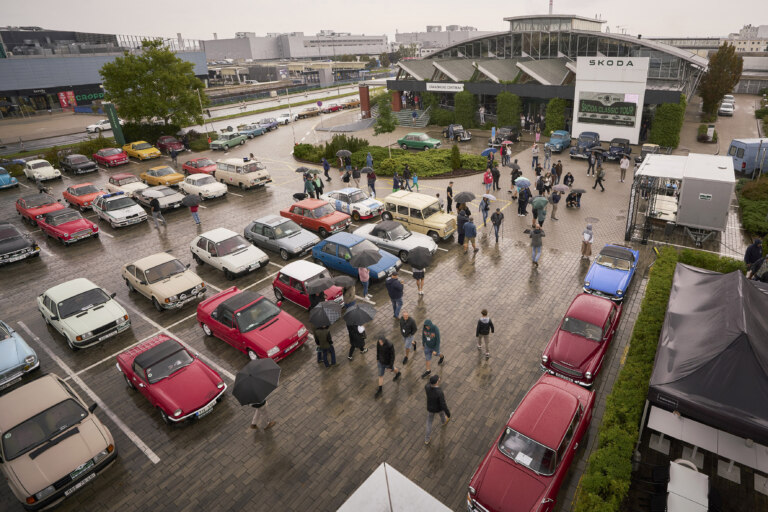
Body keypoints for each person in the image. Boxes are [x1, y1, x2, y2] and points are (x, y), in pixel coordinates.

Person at [424, 374, 451, 445]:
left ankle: (427, 439)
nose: (439, 379)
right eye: (438, 379)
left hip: (430, 407)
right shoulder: (439, 392)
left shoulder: (427, 387)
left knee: (429, 422)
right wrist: (448, 414)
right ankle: (444, 421)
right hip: (438, 408)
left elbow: (428, 383)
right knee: (442, 414)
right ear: (436, 382)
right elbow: (443, 404)